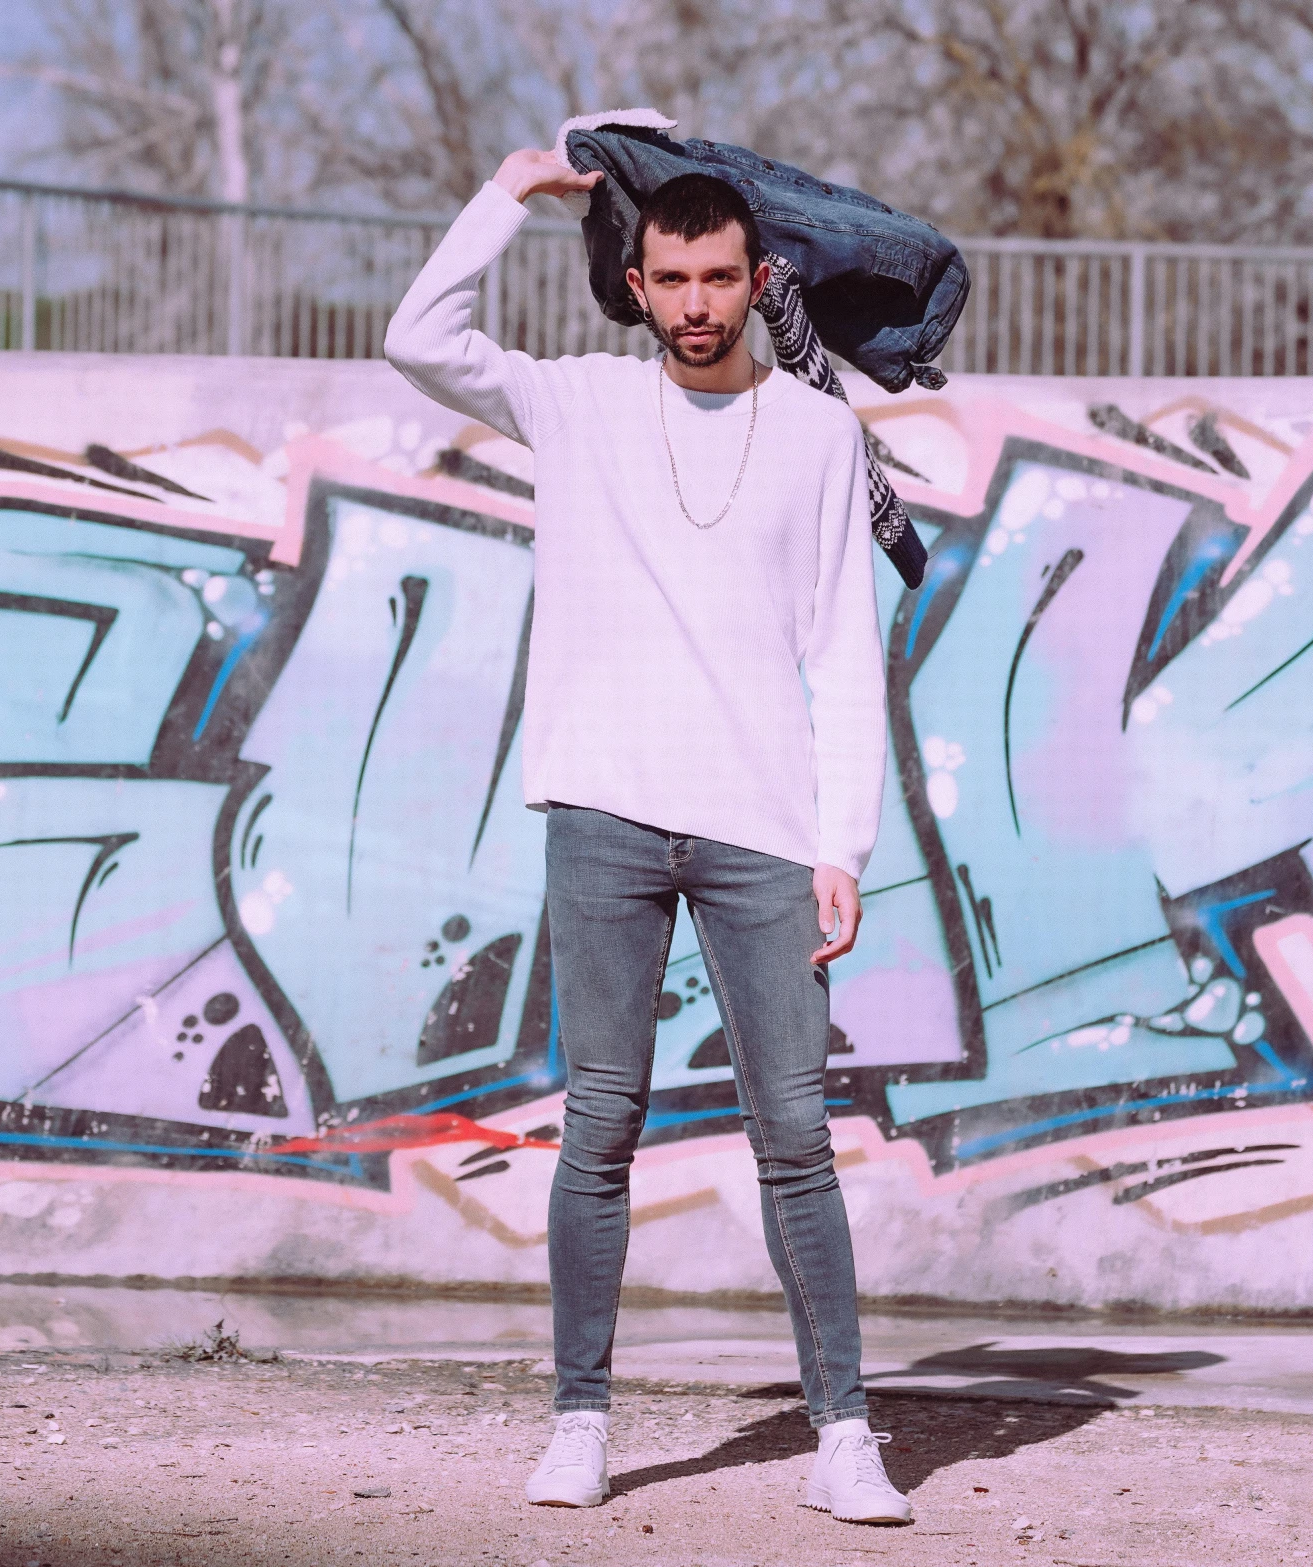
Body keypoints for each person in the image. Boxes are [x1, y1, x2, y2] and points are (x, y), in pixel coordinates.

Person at [384, 147, 907, 1526]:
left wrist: (841, 842)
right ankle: (579, 1417)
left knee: (793, 1132)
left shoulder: (816, 432)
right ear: (633, 283)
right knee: (597, 1126)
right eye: (667, 278)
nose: (692, 301)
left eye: (717, 277)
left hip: (760, 829)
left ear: (757, 279)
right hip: (603, 812)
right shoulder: (577, 405)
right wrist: (508, 193)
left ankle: (843, 1431)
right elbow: (415, 337)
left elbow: (846, 653)